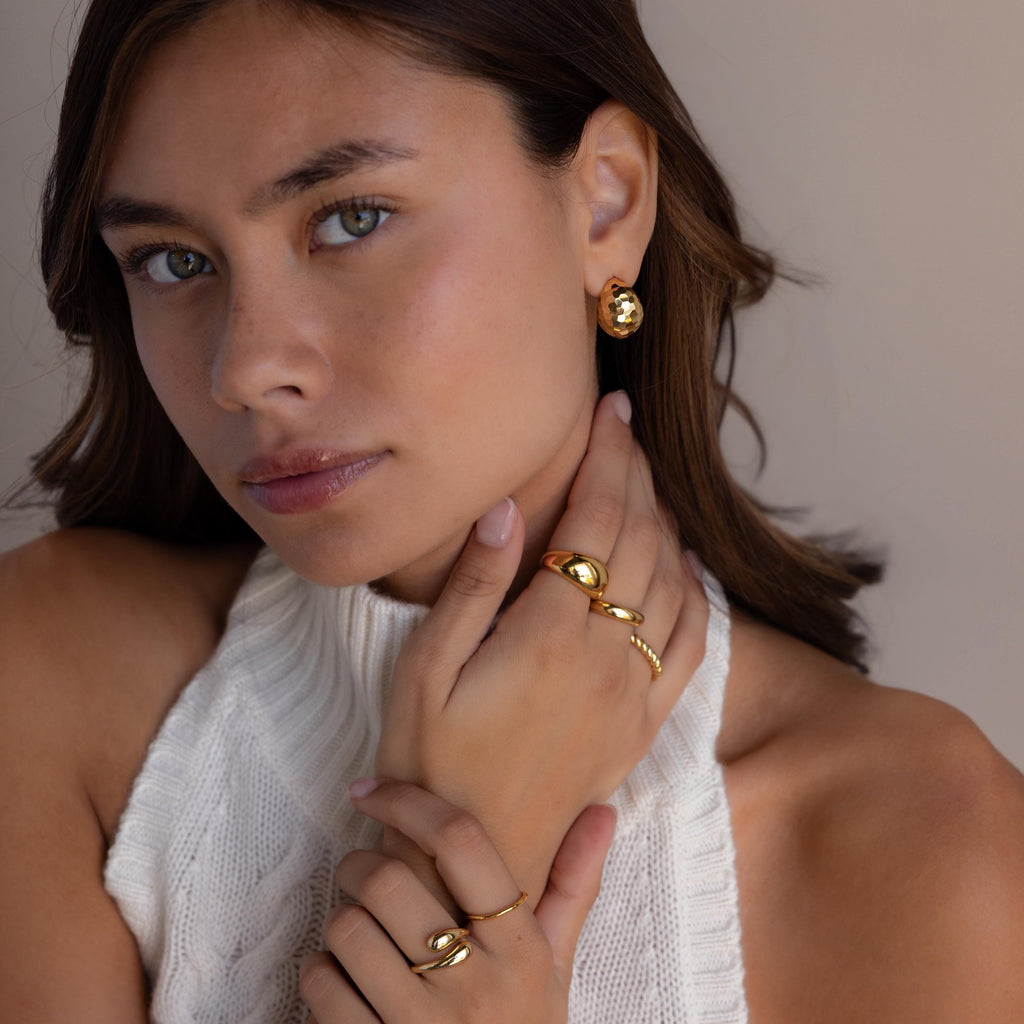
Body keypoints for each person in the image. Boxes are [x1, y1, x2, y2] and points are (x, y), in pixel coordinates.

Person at [2, 0, 1023, 1021]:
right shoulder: (47, 683)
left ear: (607, 203)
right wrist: (464, 838)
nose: (247, 367)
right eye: (173, 261)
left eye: (351, 218)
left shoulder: (927, 849)